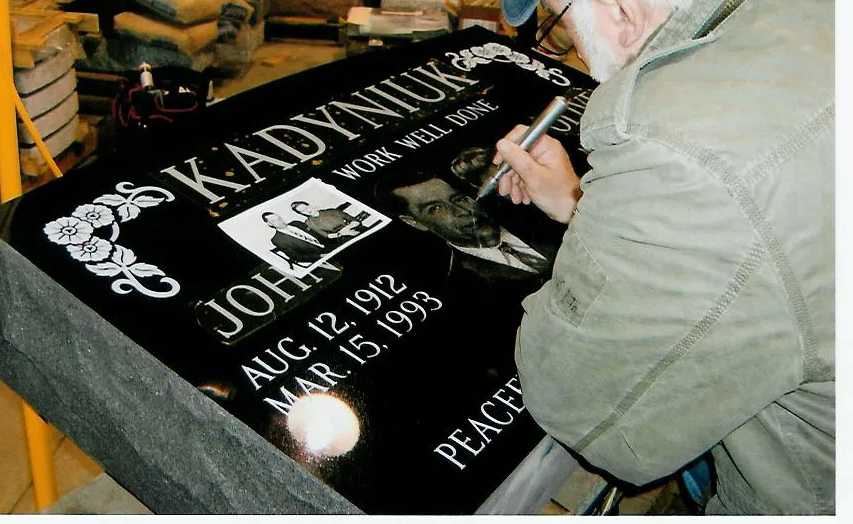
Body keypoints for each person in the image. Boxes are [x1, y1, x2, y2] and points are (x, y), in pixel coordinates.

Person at [495, 0, 833, 515]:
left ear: (624, 14)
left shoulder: (681, 144)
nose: (573, 55)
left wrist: (628, 203)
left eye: (560, 31)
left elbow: (584, 407)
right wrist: (577, 203)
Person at [375, 170, 555, 282]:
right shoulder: (465, 284)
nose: (462, 211)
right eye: (436, 208)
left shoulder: (538, 216)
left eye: (459, 198)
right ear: (414, 223)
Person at [262, 211, 327, 264]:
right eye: (274, 220)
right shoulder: (277, 240)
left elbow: (317, 233)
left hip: (329, 245)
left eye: (279, 218)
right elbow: (297, 257)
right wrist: (320, 256)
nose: (280, 221)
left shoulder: (296, 223)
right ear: (269, 224)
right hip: (320, 255)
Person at [290, 201, 364, 242]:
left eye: (306, 207)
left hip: (356, 228)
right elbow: (327, 236)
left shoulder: (331, 211)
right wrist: (342, 233)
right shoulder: (309, 223)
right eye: (302, 211)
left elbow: (356, 221)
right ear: (301, 213)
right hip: (342, 237)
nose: (307, 210)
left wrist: (347, 228)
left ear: (310, 205)